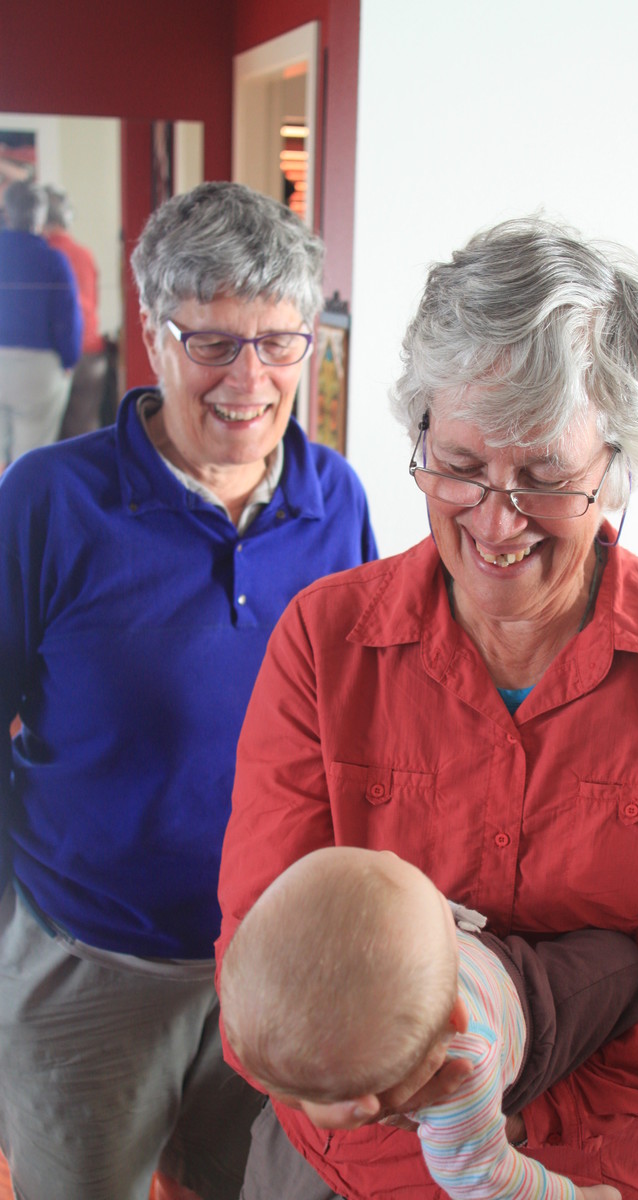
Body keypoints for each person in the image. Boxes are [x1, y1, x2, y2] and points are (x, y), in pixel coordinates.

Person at [216, 214, 638, 1200]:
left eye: (544, 480)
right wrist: (380, 1098)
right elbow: (260, 946)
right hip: (351, 1168)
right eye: (461, 468)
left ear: (614, 467)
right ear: (421, 432)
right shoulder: (327, 640)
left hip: (595, 1160)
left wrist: (523, 1122)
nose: (494, 521)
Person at [0, 181, 377, 1200]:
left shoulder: (335, 500)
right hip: (90, 961)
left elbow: (360, 726)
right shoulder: (50, 499)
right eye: (212, 342)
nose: (247, 378)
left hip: (273, 965)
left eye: (278, 341)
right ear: (152, 335)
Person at [221, 845, 638, 1200]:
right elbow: (485, 1178)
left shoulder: (340, 965)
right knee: (622, 966)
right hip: (532, 1011)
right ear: (454, 1017)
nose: (391, 855)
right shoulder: (466, 1076)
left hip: (474, 964)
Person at [0, 180, 82, 467]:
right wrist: (69, 360)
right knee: (29, 460)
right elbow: (67, 319)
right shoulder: (54, 260)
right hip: (38, 371)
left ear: (7, 212)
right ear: (41, 216)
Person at [43, 185, 113, 439]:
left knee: (46, 436)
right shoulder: (84, 254)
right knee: (85, 435)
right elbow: (94, 302)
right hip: (92, 353)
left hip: (57, 357)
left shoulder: (43, 256)